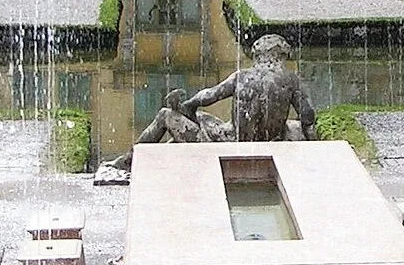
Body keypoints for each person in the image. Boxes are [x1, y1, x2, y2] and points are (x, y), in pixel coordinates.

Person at [106, 35, 316, 170]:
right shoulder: (291, 80)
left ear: (258, 56)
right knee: (294, 126)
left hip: (228, 148)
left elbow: (209, 95)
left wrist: (188, 104)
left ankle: (129, 162)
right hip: (267, 144)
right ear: (281, 56)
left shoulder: (242, 76)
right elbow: (308, 118)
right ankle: (169, 160)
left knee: (165, 115)